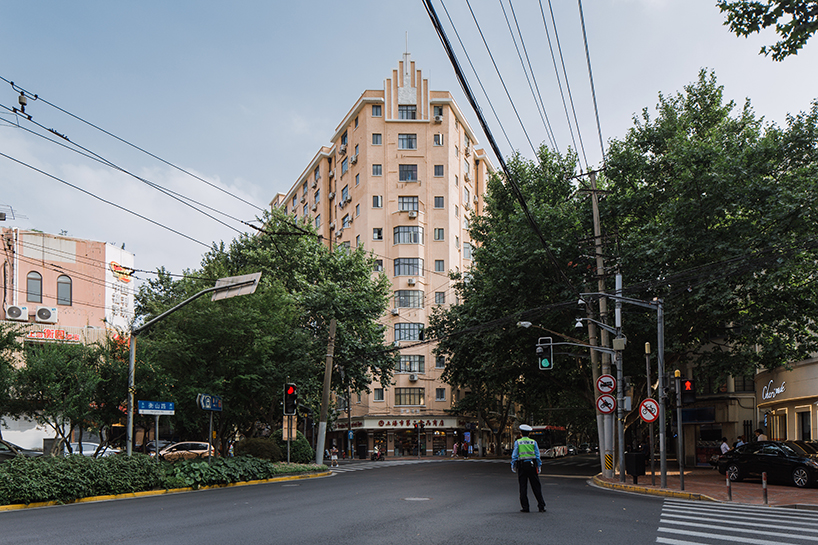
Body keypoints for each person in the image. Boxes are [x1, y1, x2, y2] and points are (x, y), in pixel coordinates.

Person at [511, 424, 546, 513]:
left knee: (523, 487)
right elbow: (537, 456)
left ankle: (525, 507)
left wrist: (513, 465)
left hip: (522, 466)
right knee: (536, 486)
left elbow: (514, 455)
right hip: (532, 466)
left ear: (521, 433)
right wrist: (539, 465)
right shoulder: (533, 442)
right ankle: (541, 506)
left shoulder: (518, 442)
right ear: (529, 434)